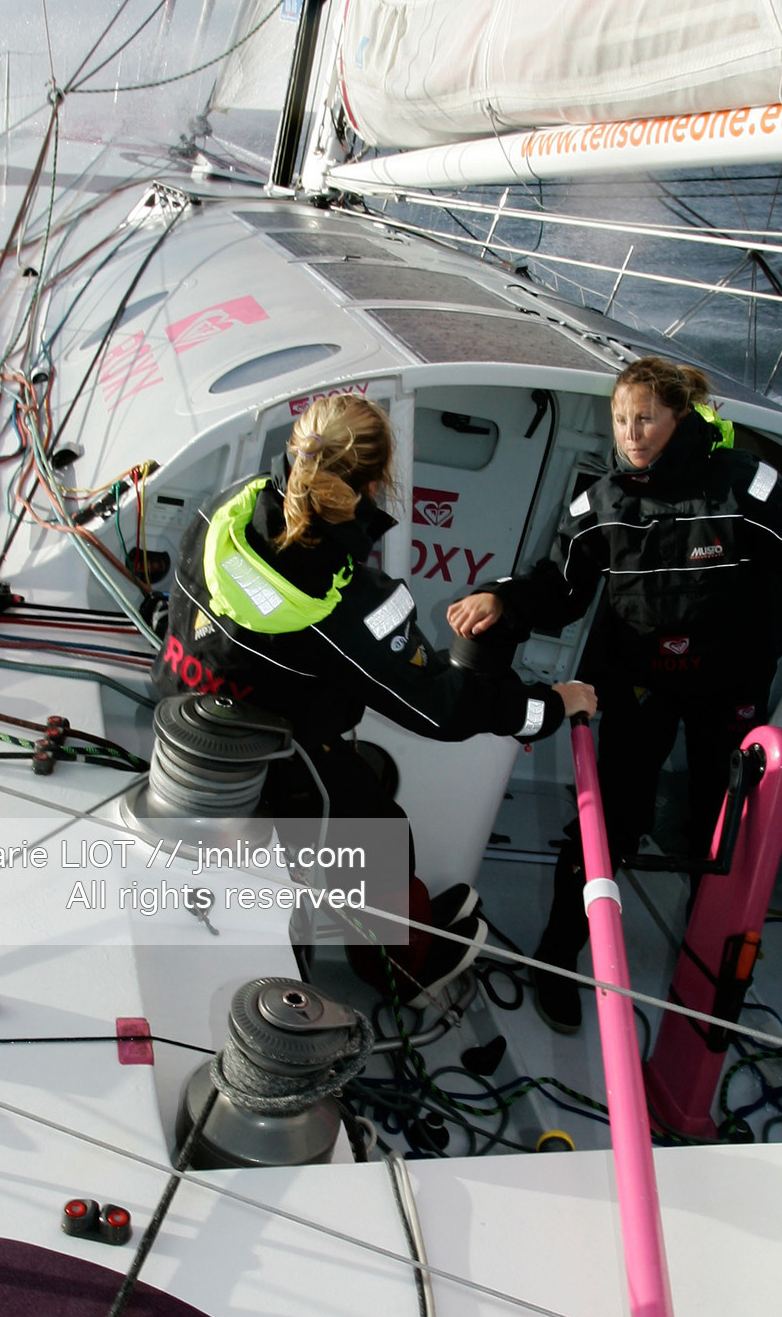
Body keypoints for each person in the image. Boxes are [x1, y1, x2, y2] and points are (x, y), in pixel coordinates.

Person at [447, 356, 782, 1032]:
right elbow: (558, 588)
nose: (631, 433)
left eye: (645, 418)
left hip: (730, 685)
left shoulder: (746, 488)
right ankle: (558, 956)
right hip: (638, 680)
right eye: (621, 419)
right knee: (611, 819)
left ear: (680, 417)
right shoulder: (602, 505)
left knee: (723, 824)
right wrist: (500, 598)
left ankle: (710, 966)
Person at [153, 393, 594, 983]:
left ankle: (390, 931)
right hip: (273, 760)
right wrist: (551, 706)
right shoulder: (352, 601)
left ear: (296, 448)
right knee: (381, 832)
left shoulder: (228, 505)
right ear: (375, 483)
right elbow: (440, 709)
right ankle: (401, 972)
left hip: (182, 715)